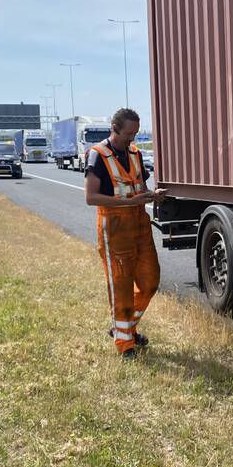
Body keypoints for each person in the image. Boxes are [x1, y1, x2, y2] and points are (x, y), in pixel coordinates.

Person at [84, 108, 167, 358]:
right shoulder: (97, 155)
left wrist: (153, 195)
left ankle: (125, 328)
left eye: (136, 133)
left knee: (150, 282)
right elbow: (91, 197)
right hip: (115, 228)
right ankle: (125, 344)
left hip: (140, 226)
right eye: (129, 133)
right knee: (120, 286)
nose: (133, 138)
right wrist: (132, 202)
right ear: (115, 128)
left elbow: (138, 186)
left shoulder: (135, 153)